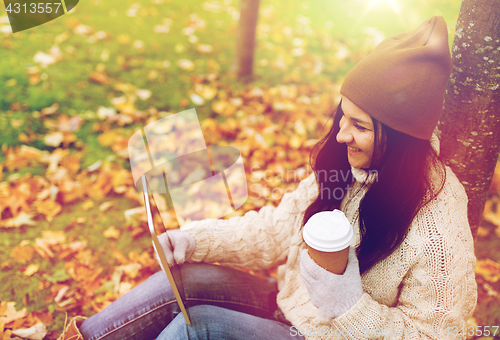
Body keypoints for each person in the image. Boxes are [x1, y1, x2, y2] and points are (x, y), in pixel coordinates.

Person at [58, 16, 477, 340]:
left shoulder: (438, 228)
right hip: (291, 306)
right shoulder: (346, 167)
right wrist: (193, 240)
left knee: (196, 328)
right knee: (181, 282)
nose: (342, 134)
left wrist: (348, 307)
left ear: (402, 139)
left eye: (361, 126)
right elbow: (275, 229)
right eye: (342, 117)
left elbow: (435, 335)